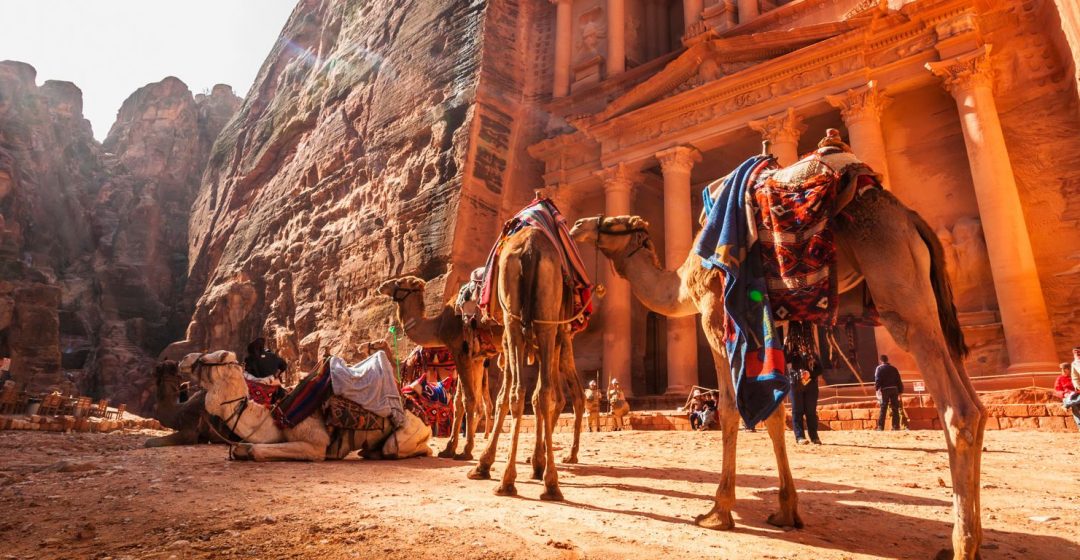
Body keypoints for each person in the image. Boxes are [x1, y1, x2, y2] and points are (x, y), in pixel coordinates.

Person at [788, 351, 823, 445]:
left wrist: (810, 373)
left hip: (811, 386)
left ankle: (814, 437)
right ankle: (800, 436)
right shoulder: (791, 351)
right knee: (797, 411)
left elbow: (820, 369)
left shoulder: (812, 353)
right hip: (795, 385)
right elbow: (784, 360)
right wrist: (786, 345)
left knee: (811, 411)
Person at [874, 354, 904, 431]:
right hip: (894, 389)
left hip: (885, 390)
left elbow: (877, 379)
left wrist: (877, 389)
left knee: (883, 408)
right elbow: (898, 380)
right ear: (887, 360)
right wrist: (900, 390)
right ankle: (896, 426)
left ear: (881, 361)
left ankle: (880, 427)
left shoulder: (879, 368)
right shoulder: (894, 368)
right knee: (895, 408)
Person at [1054, 361, 1080, 430]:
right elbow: (1057, 391)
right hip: (1067, 397)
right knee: (1074, 406)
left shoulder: (1075, 376)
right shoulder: (1060, 379)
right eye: (1062, 369)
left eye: (1065, 369)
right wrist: (1064, 394)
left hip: (1077, 395)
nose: (1063, 371)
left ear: (1070, 369)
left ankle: (1066, 405)